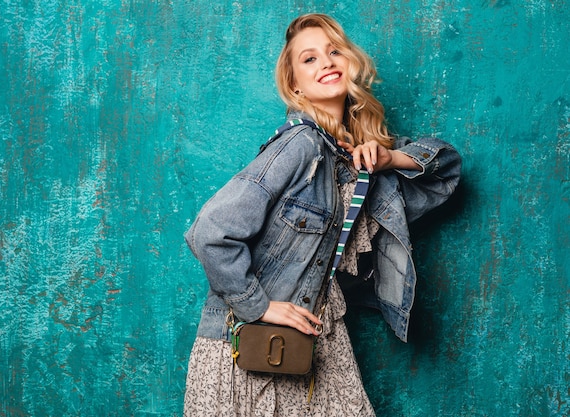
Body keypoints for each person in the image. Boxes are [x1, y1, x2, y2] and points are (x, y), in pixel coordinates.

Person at [183, 13, 461, 416]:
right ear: (294, 83)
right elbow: (210, 231)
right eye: (309, 59)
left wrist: (390, 158)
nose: (326, 62)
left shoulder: (353, 157)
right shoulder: (300, 147)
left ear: (350, 62)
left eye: (333, 52)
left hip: (316, 340)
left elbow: (447, 170)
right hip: (251, 346)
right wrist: (256, 305)